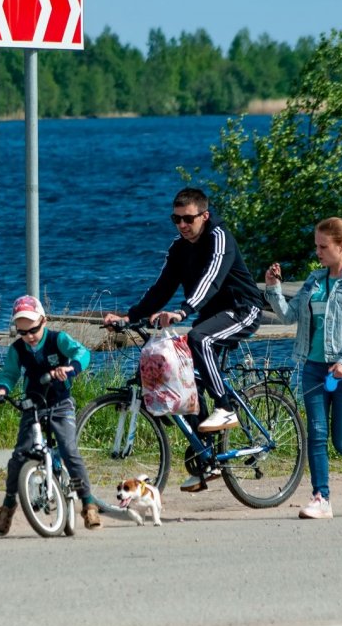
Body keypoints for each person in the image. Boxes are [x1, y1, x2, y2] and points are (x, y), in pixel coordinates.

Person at [104, 187, 263, 489]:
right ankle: (207, 459)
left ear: (204, 215)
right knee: (184, 381)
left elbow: (211, 281)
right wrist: (130, 317)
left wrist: (182, 311)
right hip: (210, 315)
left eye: (188, 219)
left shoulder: (219, 238)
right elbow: (161, 288)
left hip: (242, 308)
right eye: (175, 220)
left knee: (199, 339)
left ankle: (226, 407)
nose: (182, 226)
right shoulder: (179, 247)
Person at [264, 217, 342, 519]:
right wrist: (274, 288)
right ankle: (321, 498)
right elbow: (289, 316)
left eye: (323, 246)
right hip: (313, 367)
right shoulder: (314, 281)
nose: (318, 252)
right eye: (316, 246)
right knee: (315, 434)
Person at [0, 295, 102, 535]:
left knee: (69, 450)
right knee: (19, 456)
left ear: (44, 321)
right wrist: (1, 390)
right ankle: (8, 504)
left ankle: (88, 502)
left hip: (60, 404)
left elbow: (82, 353)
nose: (29, 336)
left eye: (33, 329)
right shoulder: (17, 349)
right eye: (22, 332)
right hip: (33, 405)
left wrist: (70, 368)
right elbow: (9, 374)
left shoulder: (57, 339)